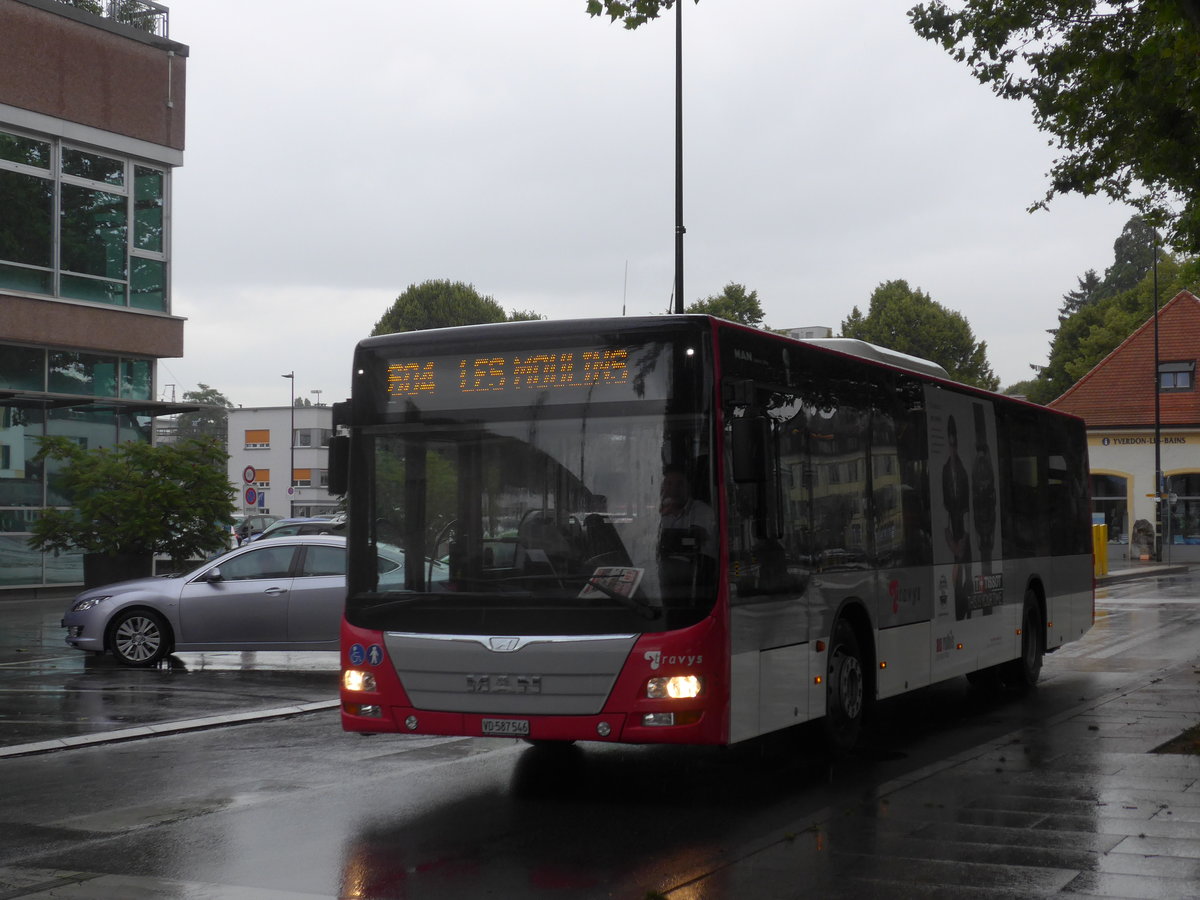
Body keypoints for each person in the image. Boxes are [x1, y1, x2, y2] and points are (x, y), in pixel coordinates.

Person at [941, 415, 972, 620]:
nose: (952, 447)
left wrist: (965, 538)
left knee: (966, 569)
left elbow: (968, 507)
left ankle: (966, 606)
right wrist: (951, 541)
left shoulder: (963, 470)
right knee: (956, 568)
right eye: (950, 442)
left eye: (955, 442)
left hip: (964, 531)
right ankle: (960, 608)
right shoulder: (944, 470)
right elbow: (944, 507)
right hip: (954, 530)